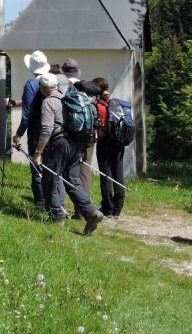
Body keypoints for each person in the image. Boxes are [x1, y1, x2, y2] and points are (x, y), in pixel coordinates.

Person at [33, 72, 104, 235]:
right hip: (76, 143)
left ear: (44, 88)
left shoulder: (49, 102)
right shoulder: (67, 98)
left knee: (51, 178)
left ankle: (56, 217)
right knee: (73, 180)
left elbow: (46, 129)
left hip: (59, 144)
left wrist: (38, 152)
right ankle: (91, 211)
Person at [9, 50, 49, 207]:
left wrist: (19, 134)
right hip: (54, 129)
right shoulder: (53, 82)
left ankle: (40, 200)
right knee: (50, 164)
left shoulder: (32, 84)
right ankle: (53, 199)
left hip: (36, 130)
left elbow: (27, 113)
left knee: (36, 162)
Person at [94, 77, 125, 219]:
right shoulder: (115, 103)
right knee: (118, 174)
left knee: (106, 175)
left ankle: (108, 207)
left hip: (104, 142)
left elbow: (97, 124)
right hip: (119, 143)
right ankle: (118, 208)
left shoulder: (98, 105)